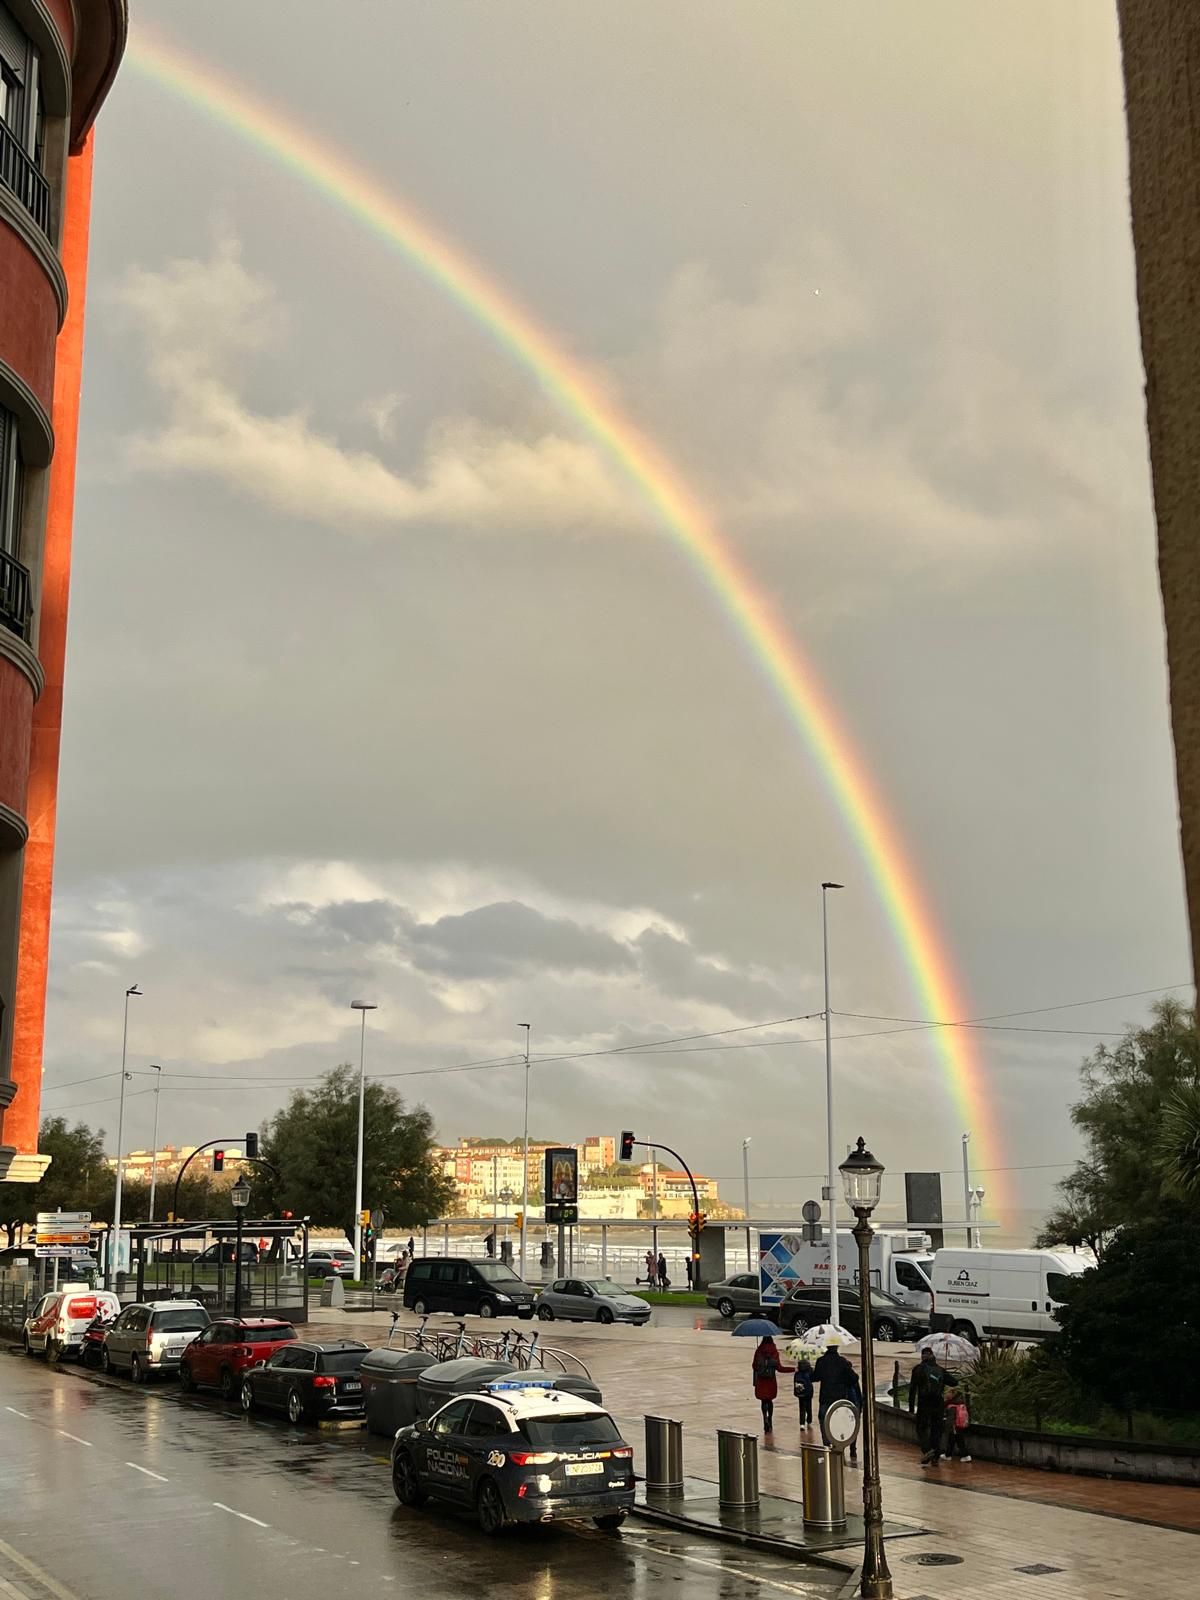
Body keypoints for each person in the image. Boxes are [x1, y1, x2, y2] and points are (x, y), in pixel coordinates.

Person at [814, 1340, 861, 1464]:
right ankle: (839, 1446)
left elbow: (815, 1377)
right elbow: (854, 1378)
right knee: (838, 1424)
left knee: (824, 1422)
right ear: (836, 1347)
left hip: (825, 1399)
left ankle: (827, 1446)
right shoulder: (842, 1362)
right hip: (839, 1400)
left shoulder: (821, 1361)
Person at [908, 1347, 950, 1465]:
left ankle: (927, 1450)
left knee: (921, 1428)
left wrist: (911, 1409)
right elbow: (954, 1382)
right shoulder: (940, 1369)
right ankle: (935, 1457)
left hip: (924, 1404)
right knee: (936, 1430)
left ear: (922, 1356)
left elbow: (912, 1390)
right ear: (933, 1355)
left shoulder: (918, 1369)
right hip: (938, 1405)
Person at [752, 1335, 793, 1433]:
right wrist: (793, 1369)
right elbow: (780, 1368)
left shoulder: (759, 1351)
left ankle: (764, 1418)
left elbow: (754, 1366)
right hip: (771, 1381)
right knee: (769, 1401)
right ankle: (769, 1419)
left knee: (763, 1401)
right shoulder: (774, 1351)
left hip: (761, 1381)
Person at [944, 1385, 972, 1462]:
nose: (946, 1394)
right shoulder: (960, 1402)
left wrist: (949, 1425)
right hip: (960, 1424)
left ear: (952, 1394)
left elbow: (951, 1417)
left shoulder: (951, 1405)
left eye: (948, 1393)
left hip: (954, 1425)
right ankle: (948, 1455)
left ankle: (965, 1455)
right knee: (952, 1440)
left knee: (959, 1440)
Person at [793, 1356, 815, 1426]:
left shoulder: (797, 1372)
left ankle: (802, 1423)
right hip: (808, 1392)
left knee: (802, 1407)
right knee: (809, 1406)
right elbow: (813, 1378)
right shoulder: (809, 1371)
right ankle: (809, 1420)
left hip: (800, 1392)